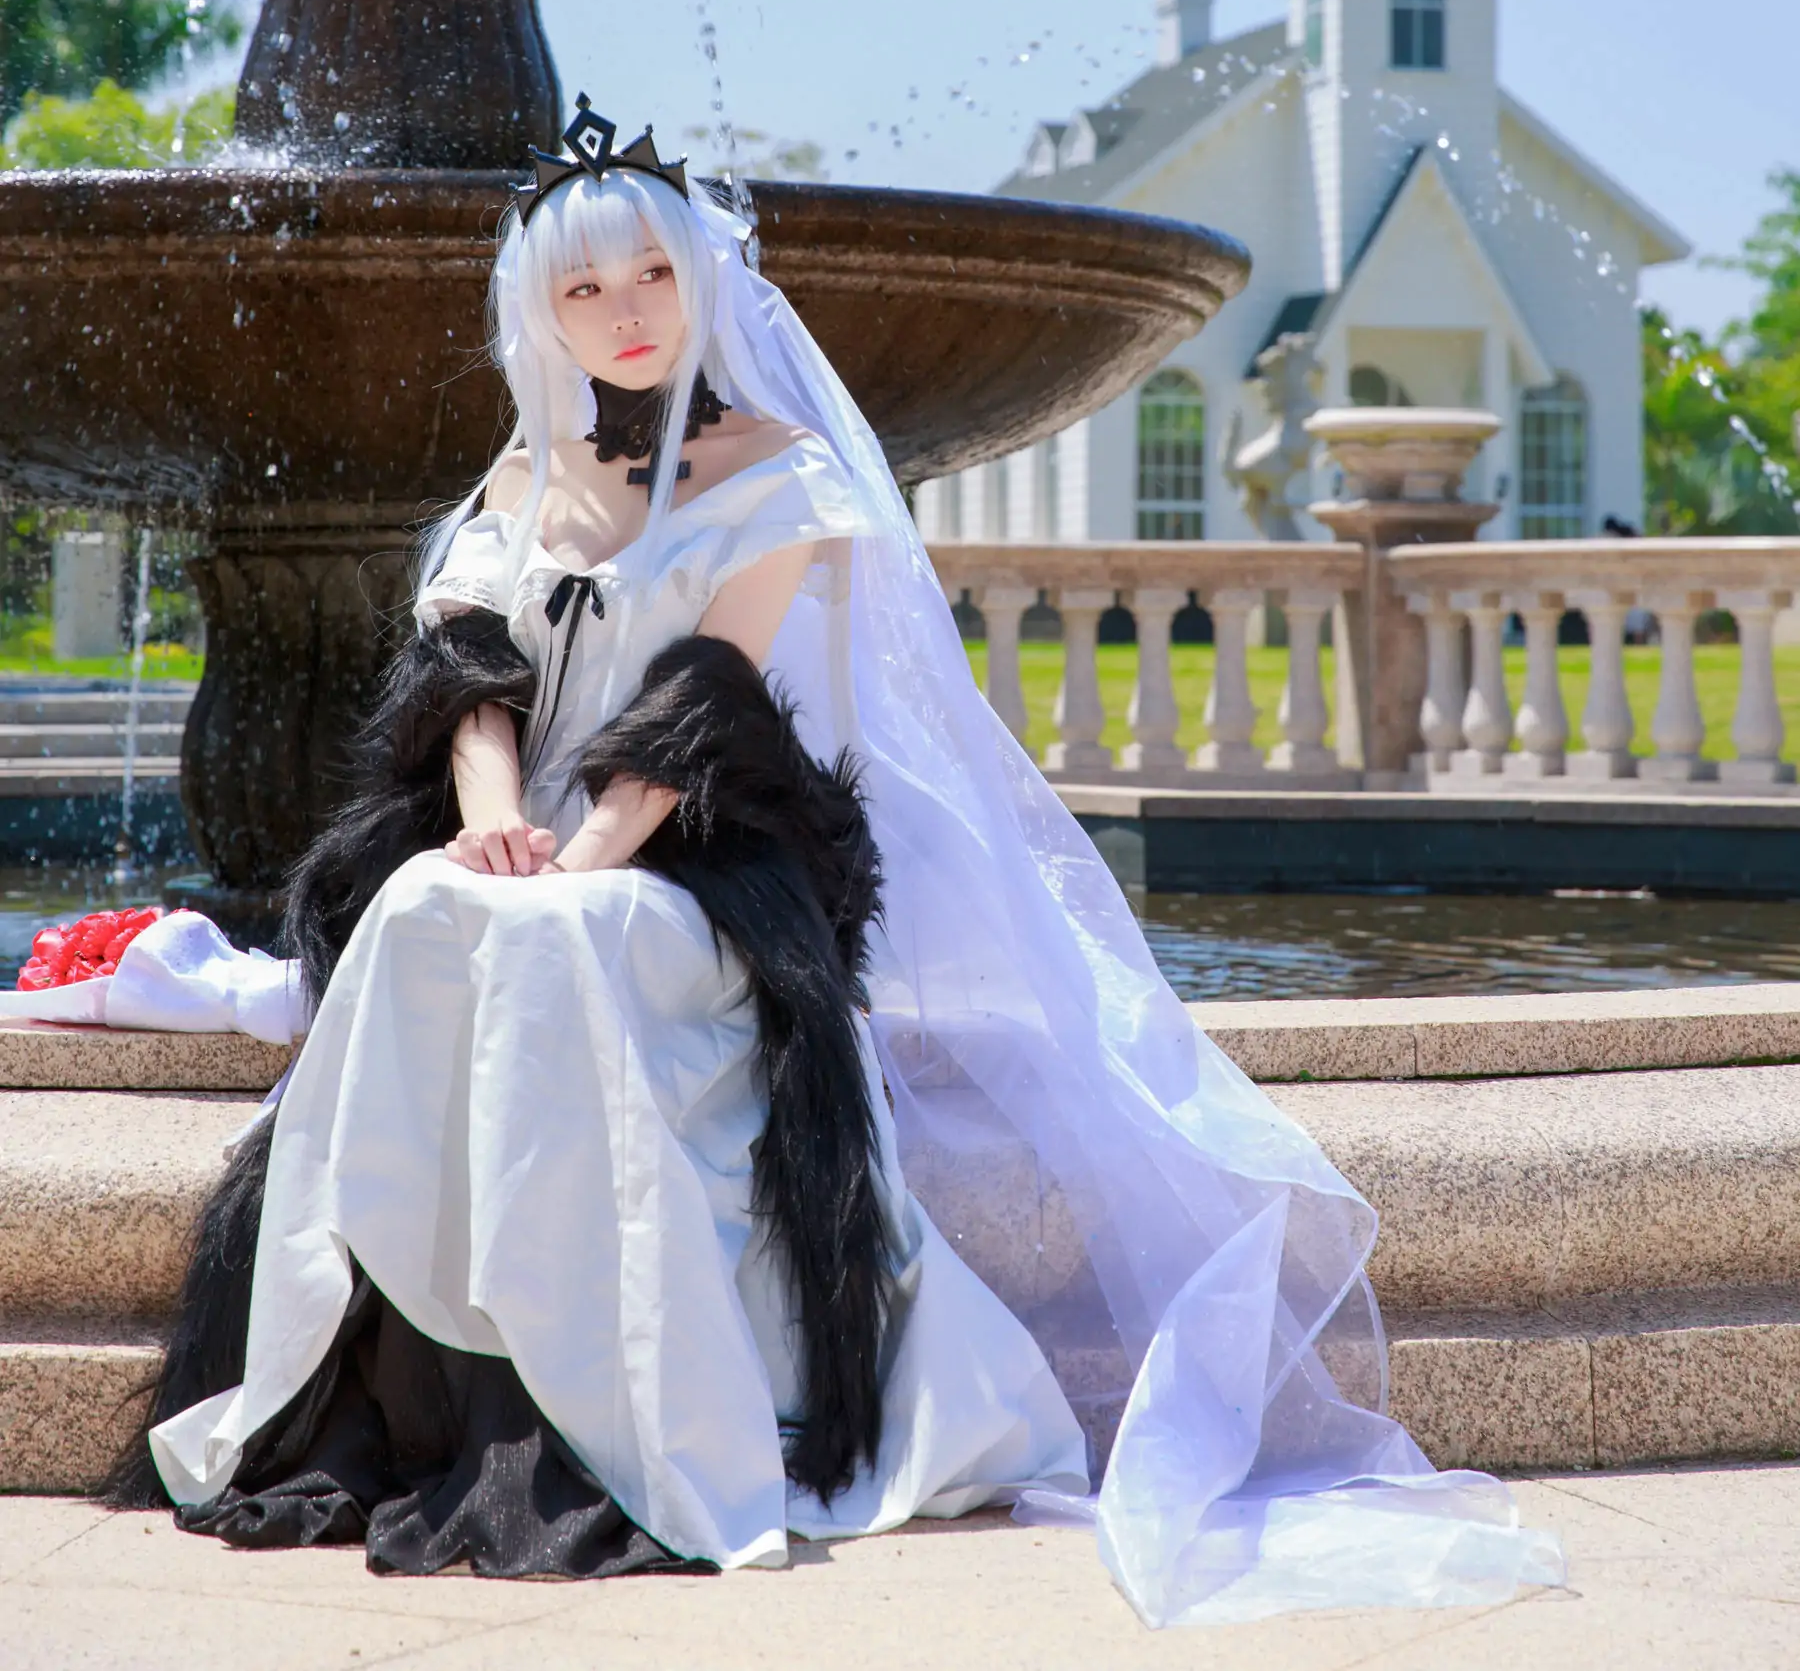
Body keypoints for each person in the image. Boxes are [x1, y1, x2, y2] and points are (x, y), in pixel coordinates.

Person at [123, 100, 1560, 1626]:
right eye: (586, 287)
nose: (625, 311)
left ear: (702, 279)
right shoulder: (523, 478)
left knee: (561, 941)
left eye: (652, 275)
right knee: (421, 901)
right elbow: (467, 685)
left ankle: (603, 1427)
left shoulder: (778, 471)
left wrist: (583, 860)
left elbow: (700, 702)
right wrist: (488, 823)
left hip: (693, 855)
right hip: (523, 838)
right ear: (543, 309)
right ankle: (386, 1393)